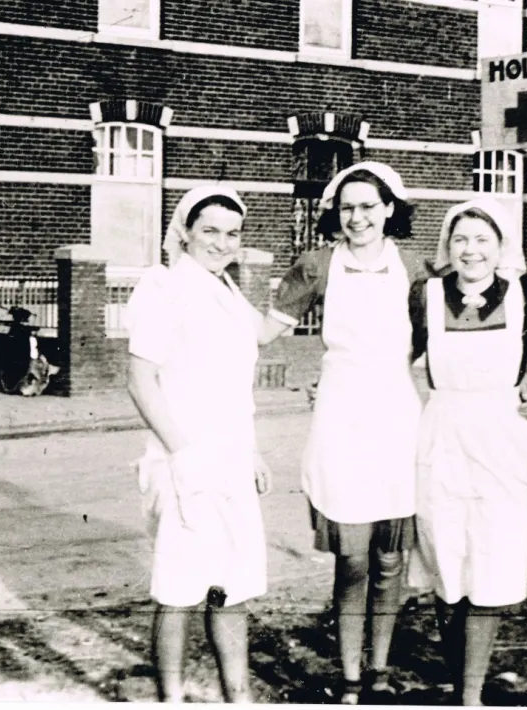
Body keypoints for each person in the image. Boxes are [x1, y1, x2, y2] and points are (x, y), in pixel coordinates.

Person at [406, 197, 527, 706]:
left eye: (482, 239)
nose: (471, 250)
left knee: (490, 561)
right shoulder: (423, 295)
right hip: (442, 435)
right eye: (461, 239)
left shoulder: (526, 293)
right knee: (445, 558)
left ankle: (470, 695)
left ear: (501, 246)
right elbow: (388, 359)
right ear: (448, 246)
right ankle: (458, 674)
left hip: (500, 439)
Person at [268, 162, 432, 704]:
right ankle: (349, 675)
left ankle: (379, 669)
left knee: (390, 558)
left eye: (368, 206)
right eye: (347, 207)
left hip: (396, 418)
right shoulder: (317, 265)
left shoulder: (416, 271)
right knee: (354, 558)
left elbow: (457, 343)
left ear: (390, 209)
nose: (357, 217)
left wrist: (513, 384)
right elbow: (264, 332)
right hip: (341, 417)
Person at [126, 185, 279, 703]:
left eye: (232, 234)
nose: (221, 243)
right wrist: (183, 453)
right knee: (179, 591)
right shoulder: (162, 287)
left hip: (230, 459)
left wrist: (250, 449)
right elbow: (141, 380)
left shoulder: (228, 290)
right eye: (209, 231)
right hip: (181, 459)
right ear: (185, 232)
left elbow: (234, 385)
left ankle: (237, 695)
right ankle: (171, 699)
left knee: (230, 587)